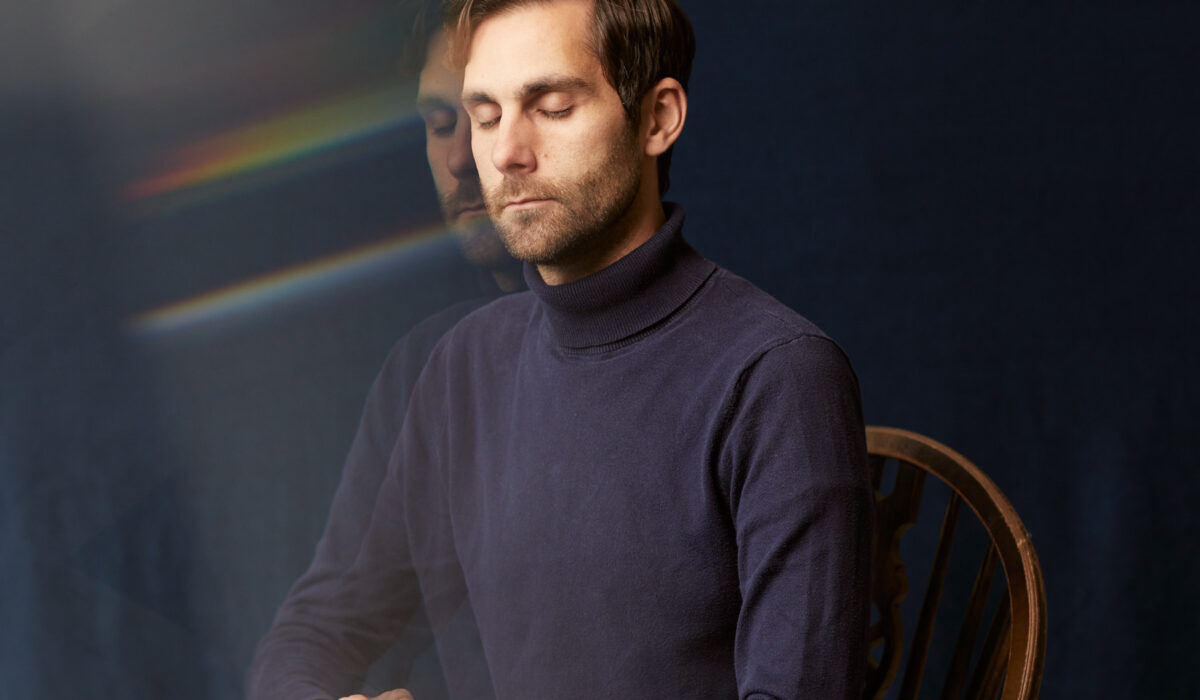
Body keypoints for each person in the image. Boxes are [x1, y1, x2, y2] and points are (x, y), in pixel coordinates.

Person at [251, 0, 873, 698]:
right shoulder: (463, 365)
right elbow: (316, 632)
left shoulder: (778, 376)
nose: (505, 153)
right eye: (486, 116)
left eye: (551, 107)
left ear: (658, 118)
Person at [246, 6, 521, 698]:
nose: (459, 157)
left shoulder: (745, 370)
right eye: (440, 123)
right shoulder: (430, 367)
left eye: (489, 116)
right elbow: (317, 630)